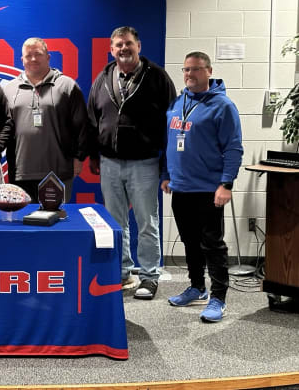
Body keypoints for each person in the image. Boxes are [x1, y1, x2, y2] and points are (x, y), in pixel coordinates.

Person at [87, 26, 176, 300]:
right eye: (118, 45)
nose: (123, 49)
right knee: (115, 222)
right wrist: (94, 155)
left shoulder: (158, 78)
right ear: (111, 50)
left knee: (147, 222)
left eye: (128, 44)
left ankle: (149, 277)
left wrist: (167, 167)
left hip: (144, 163)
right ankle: (122, 272)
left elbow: (172, 124)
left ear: (138, 46)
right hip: (110, 163)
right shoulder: (103, 77)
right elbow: (93, 118)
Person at [161, 51, 243, 322]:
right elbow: (169, 141)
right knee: (190, 243)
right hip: (181, 188)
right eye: (185, 70)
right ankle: (197, 287)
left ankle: (218, 297)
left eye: (195, 69)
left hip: (209, 189)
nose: (189, 75)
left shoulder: (223, 106)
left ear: (209, 71)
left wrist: (226, 184)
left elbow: (233, 148)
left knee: (212, 245)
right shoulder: (177, 102)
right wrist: (166, 173)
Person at [3, 37, 91, 203]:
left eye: (38, 54)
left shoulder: (66, 85)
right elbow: (4, 129)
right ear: (22, 60)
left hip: (59, 171)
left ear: (48, 57)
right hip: (21, 172)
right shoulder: (9, 89)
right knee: (25, 224)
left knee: (56, 222)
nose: (34, 59)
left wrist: (79, 158)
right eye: (29, 55)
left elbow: (81, 126)